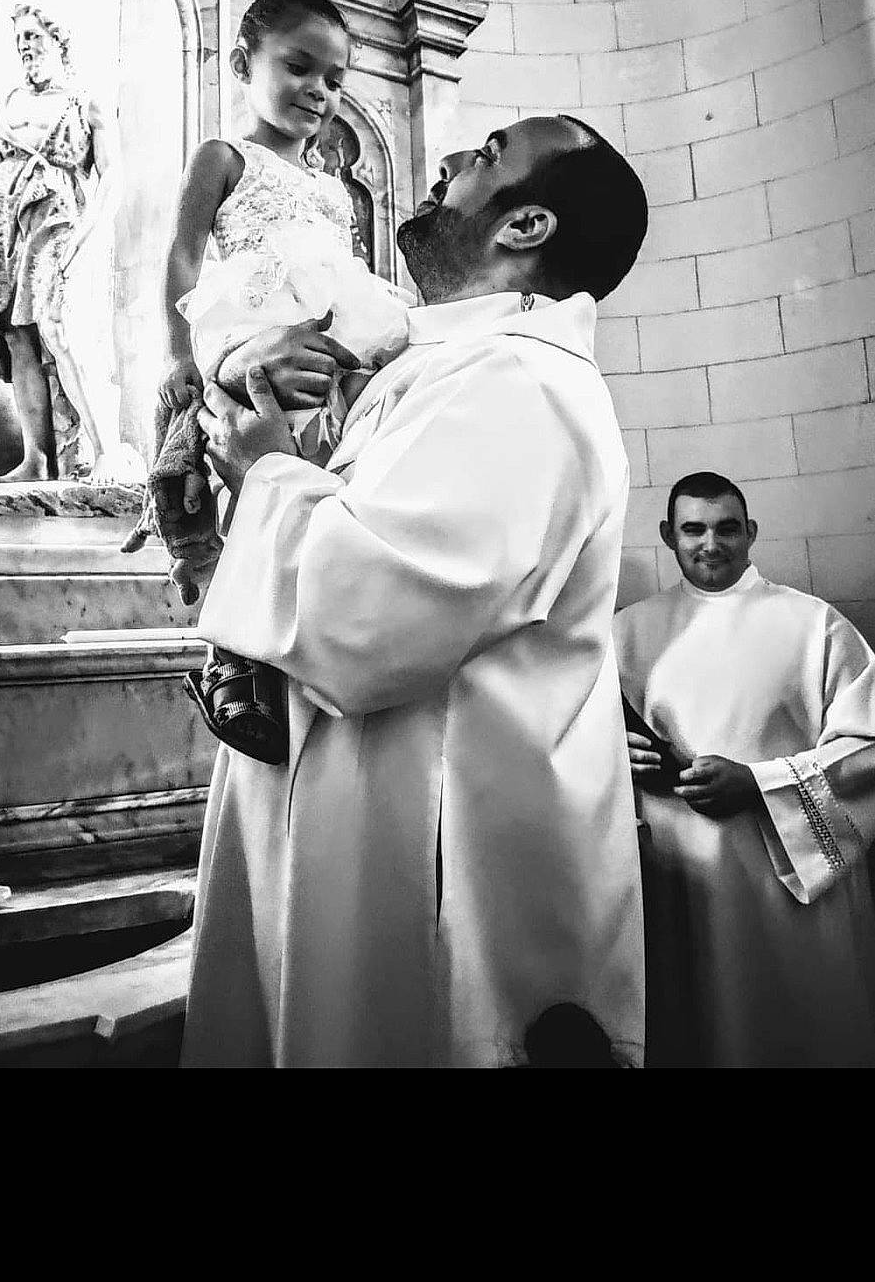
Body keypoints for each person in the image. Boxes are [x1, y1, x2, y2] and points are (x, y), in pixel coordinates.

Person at [179, 112, 649, 1069]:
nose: (448, 162)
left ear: (526, 227)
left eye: (486, 156)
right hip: (366, 841)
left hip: (437, 886)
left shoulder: (524, 384)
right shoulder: (444, 373)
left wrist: (266, 471)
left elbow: (370, 621)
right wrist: (265, 453)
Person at [132, 0, 410, 757]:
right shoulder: (224, 158)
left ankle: (309, 644)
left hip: (328, 345)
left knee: (321, 486)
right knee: (245, 494)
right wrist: (178, 355)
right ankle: (231, 659)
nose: (319, 91)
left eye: (335, 78)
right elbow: (183, 258)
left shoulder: (331, 189)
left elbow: (344, 274)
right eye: (298, 67)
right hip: (249, 327)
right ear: (241, 63)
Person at [614, 471, 875, 1067]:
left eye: (728, 529)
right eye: (693, 530)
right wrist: (612, 757)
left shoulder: (816, 625)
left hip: (783, 882)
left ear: (751, 533)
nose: (712, 545)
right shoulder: (624, 633)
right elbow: (578, 746)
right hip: (672, 878)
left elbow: (868, 748)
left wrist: (759, 784)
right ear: (668, 535)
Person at [0, 3, 134, 481]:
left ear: (58, 41)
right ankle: (36, 460)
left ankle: (106, 449)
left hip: (58, 221)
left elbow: (113, 177)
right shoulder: (10, 101)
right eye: (19, 38)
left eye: (33, 36)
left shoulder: (85, 101)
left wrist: (90, 231)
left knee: (63, 331)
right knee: (19, 336)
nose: (25, 46)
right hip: (4, 227)